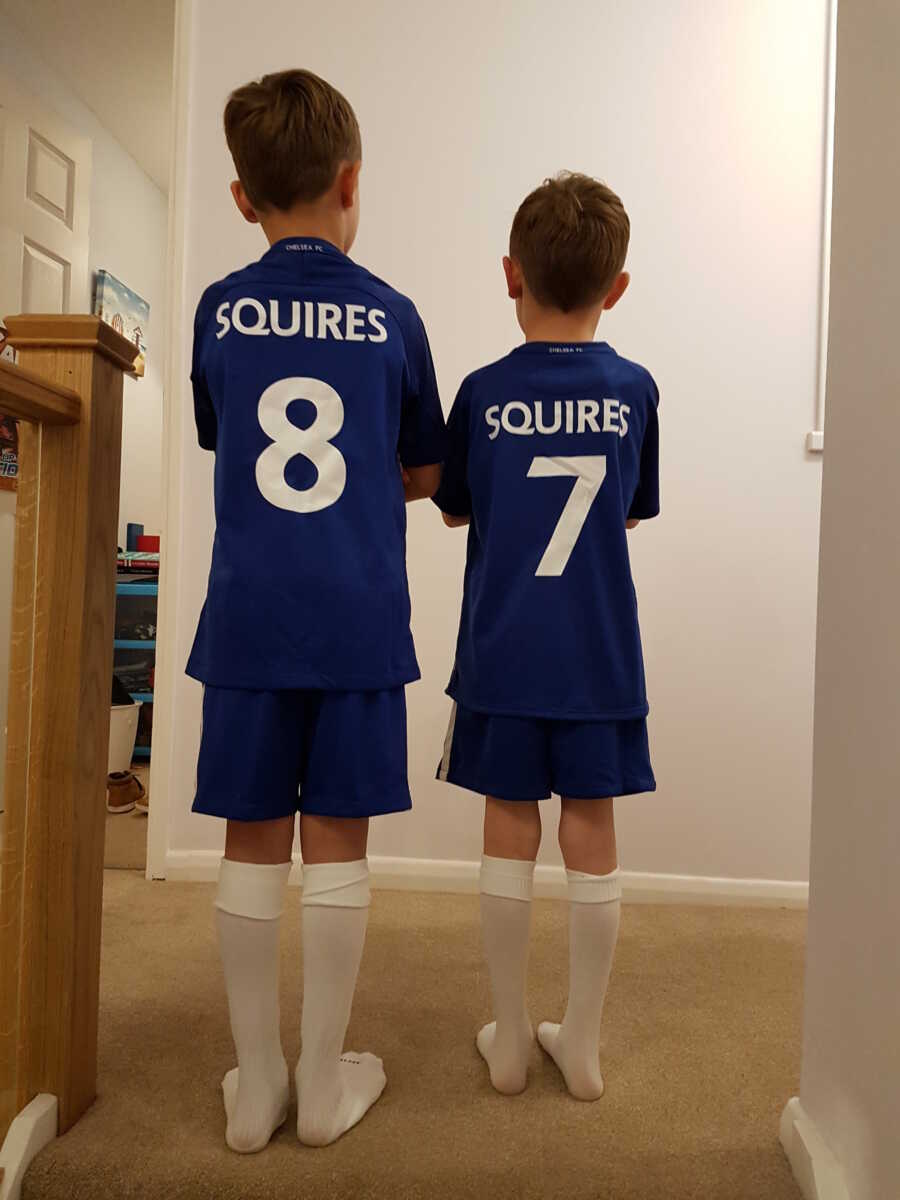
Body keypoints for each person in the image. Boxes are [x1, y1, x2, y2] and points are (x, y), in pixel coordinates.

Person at [188, 68, 445, 1152]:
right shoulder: (392, 312)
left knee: (254, 834)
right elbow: (425, 474)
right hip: (356, 616)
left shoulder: (216, 309)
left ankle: (257, 1088)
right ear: (351, 182)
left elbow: (226, 438)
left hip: (248, 615)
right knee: (338, 833)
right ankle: (324, 1086)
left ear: (242, 198)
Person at [433, 172, 659, 1100]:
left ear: (509, 274)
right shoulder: (636, 389)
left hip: (503, 651)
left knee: (508, 828)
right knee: (593, 829)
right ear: (618, 286)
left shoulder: (484, 392)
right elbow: (630, 515)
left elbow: (454, 512)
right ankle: (587, 1042)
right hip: (600, 656)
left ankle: (514, 1039)